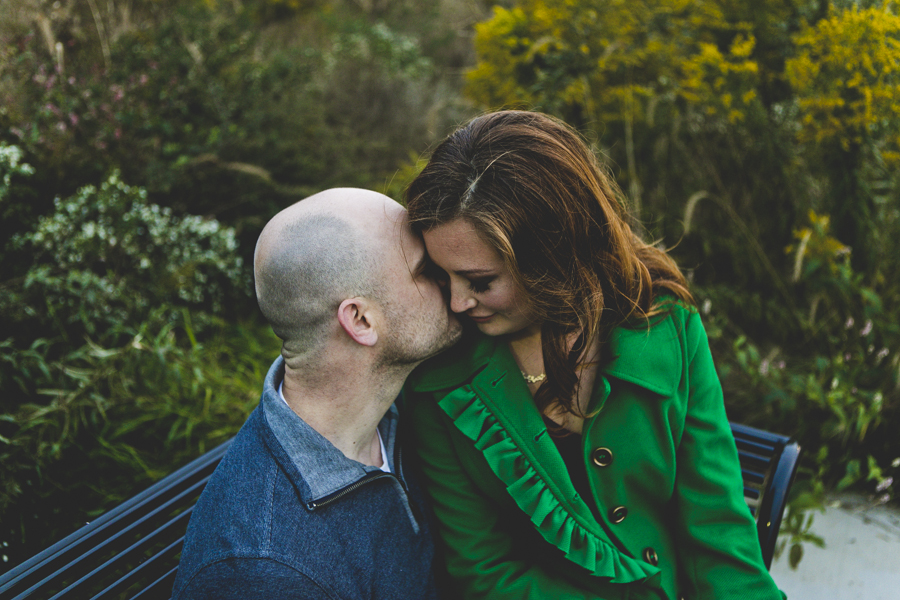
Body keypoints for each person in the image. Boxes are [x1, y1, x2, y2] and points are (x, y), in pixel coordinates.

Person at [402, 111, 785, 600]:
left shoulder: (665, 323)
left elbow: (716, 524)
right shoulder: (442, 382)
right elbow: (485, 573)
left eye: (481, 282)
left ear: (554, 257)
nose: (457, 303)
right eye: (441, 274)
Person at [172, 188, 462, 599]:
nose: (451, 282)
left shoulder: (393, 408)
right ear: (360, 319)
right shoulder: (266, 572)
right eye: (425, 269)